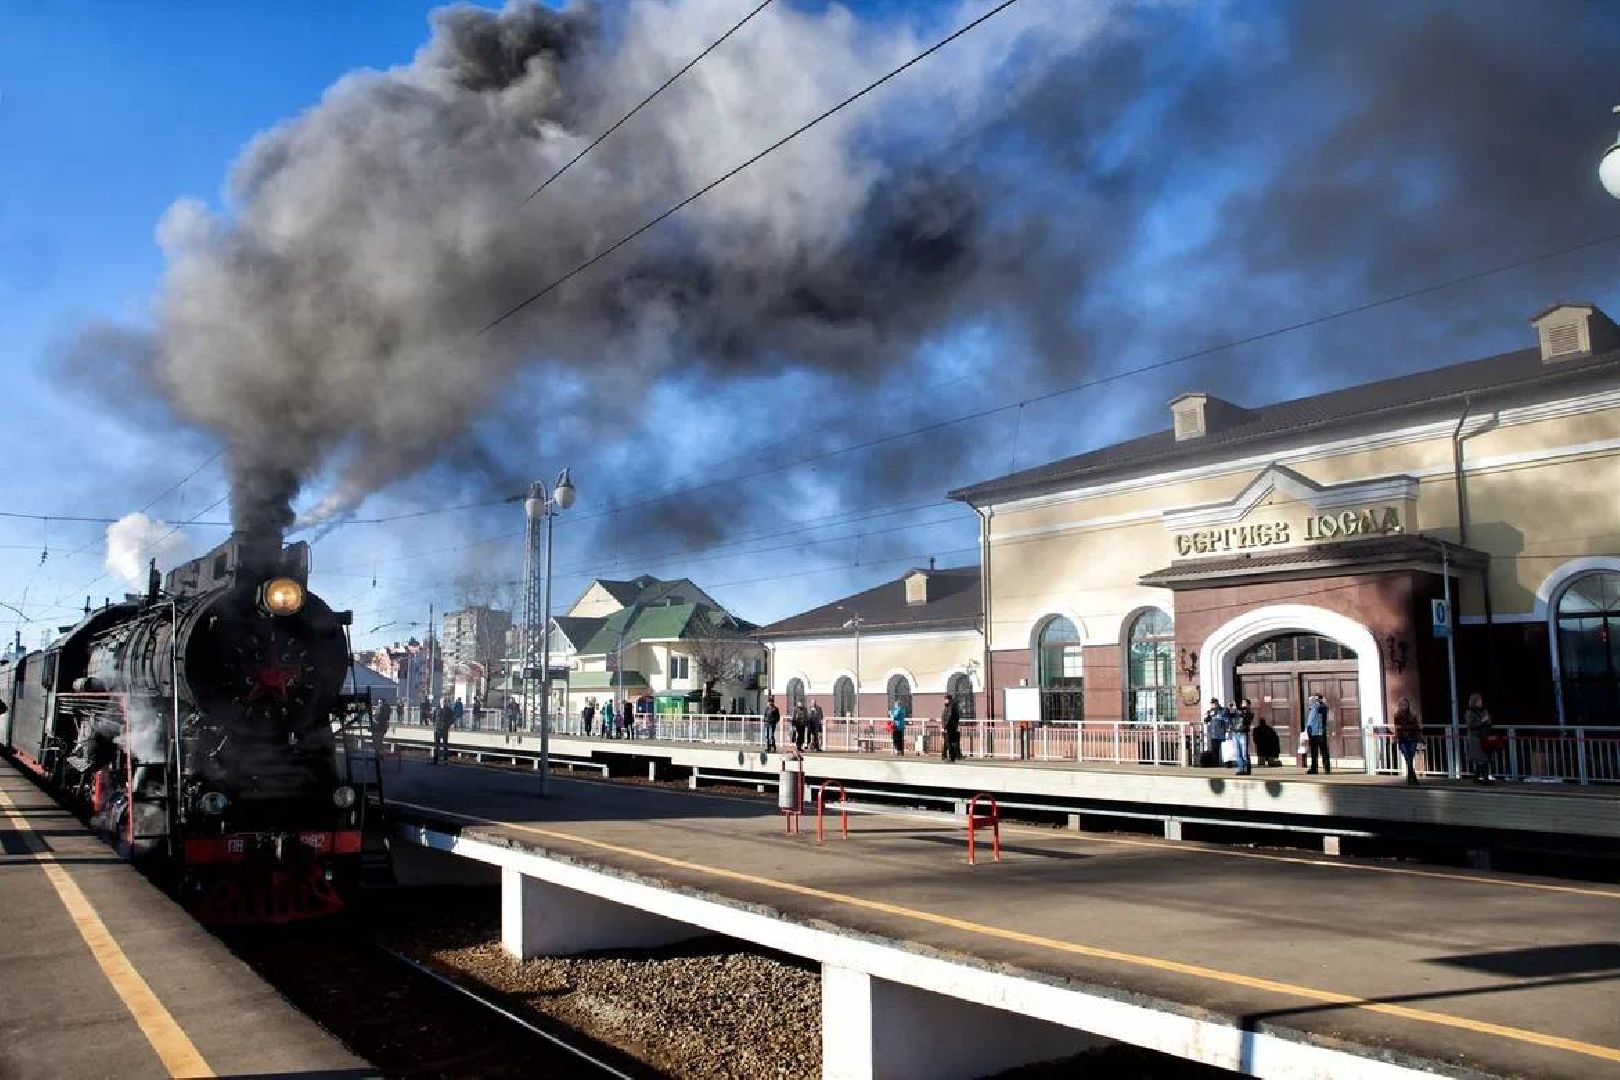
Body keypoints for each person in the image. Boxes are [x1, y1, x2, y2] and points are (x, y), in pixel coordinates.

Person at [1464, 692, 1494, 784]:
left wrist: (1488, 720)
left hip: (1484, 737)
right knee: (1481, 758)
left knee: (1484, 758)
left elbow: (1489, 722)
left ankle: (1477, 777)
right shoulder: (1470, 712)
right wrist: (1481, 721)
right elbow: (1470, 725)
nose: (1481, 702)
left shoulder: (1484, 710)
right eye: (1479, 701)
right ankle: (1484, 778)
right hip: (1475, 738)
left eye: (1481, 700)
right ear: (1474, 702)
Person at [1393, 697, 1422, 786]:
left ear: (1408, 705)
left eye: (1405, 705)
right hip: (1402, 739)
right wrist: (1397, 738)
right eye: (1402, 705)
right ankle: (1412, 777)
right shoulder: (1397, 716)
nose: (1404, 707)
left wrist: (1419, 738)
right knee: (1407, 757)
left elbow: (1416, 727)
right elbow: (1397, 728)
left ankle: (1410, 777)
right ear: (1400, 706)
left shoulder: (1413, 715)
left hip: (1412, 738)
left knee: (1410, 756)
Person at [1304, 693, 1331, 775]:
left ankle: (1314, 769)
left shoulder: (1316, 707)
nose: (1310, 700)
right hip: (1321, 732)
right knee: (1324, 751)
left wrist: (1309, 731)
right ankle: (1326, 768)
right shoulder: (1322, 707)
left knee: (1315, 752)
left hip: (1315, 733)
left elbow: (1312, 721)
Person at [1230, 698, 1253, 776]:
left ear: (1248, 704)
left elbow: (1247, 719)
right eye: (1242, 702)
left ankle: (1246, 769)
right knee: (1237, 753)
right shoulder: (1237, 712)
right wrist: (1231, 708)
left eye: (1244, 703)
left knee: (1244, 753)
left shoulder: (1249, 712)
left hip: (1243, 733)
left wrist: (1237, 710)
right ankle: (1240, 769)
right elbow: (1228, 715)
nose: (1242, 704)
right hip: (1235, 733)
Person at [1201, 699, 1228, 767]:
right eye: (1212, 704)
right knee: (1214, 749)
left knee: (1223, 749)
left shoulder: (1222, 710)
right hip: (1213, 733)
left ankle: (1225, 762)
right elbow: (1206, 720)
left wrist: (1216, 714)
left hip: (1221, 732)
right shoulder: (1210, 711)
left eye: (1214, 704)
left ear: (1217, 703)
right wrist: (1208, 716)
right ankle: (1216, 763)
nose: (1213, 705)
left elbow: (1225, 719)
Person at [432, 698, 454, 764]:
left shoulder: (448, 709)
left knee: (445, 745)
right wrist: (435, 724)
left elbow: (452, 718)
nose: (443, 702)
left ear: (446, 702)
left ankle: (445, 759)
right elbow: (433, 718)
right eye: (442, 701)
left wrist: (448, 725)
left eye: (444, 701)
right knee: (436, 745)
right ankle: (435, 759)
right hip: (437, 729)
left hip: (444, 729)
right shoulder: (436, 709)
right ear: (440, 702)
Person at [940, 695, 962, 762]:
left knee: (949, 742)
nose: (945, 701)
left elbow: (949, 718)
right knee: (949, 742)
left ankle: (950, 756)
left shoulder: (950, 708)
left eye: (946, 699)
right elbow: (945, 717)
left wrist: (945, 726)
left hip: (949, 727)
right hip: (950, 727)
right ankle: (950, 756)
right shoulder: (948, 707)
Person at [371, 698, 393, 763]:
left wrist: (374, 716)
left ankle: (379, 758)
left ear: (381, 702)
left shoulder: (380, 708)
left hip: (378, 726)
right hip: (384, 726)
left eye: (379, 702)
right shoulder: (388, 707)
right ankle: (381, 757)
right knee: (380, 740)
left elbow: (377, 717)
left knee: (377, 743)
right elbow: (387, 716)